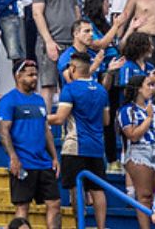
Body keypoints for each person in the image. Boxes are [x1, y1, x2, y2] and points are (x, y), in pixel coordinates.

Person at [49, 52, 110, 229]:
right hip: (97, 147)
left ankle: (79, 225)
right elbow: (106, 121)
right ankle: (101, 226)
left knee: (76, 188)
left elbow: (60, 118)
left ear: (73, 68)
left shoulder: (70, 89)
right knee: (97, 190)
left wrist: (40, 117)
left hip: (75, 145)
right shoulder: (101, 90)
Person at [0, 60, 60, 228]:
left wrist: (54, 157)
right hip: (23, 162)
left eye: (35, 74)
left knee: (54, 203)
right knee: (22, 207)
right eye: (30, 75)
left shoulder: (39, 100)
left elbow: (46, 130)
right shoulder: (9, 100)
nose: (35, 78)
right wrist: (13, 158)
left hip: (43, 162)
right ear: (18, 76)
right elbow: (4, 131)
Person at [119, 75, 155, 229]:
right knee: (144, 195)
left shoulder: (154, 108)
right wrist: (149, 118)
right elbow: (133, 135)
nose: (152, 88)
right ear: (138, 89)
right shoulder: (126, 110)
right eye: (149, 85)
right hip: (138, 152)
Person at [30, 0, 79, 108]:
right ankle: (46, 127)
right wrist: (49, 41)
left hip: (71, 43)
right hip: (52, 42)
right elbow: (37, 13)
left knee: (72, 85)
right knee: (48, 86)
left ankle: (70, 129)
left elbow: (76, 12)